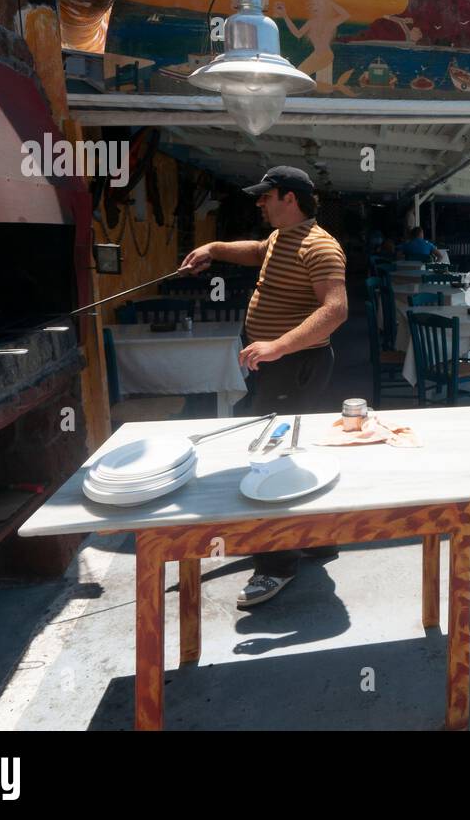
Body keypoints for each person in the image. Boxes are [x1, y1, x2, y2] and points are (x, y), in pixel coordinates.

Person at [180, 166, 348, 608]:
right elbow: (256, 251)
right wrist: (212, 248)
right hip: (281, 365)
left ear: (289, 198)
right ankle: (317, 541)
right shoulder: (280, 238)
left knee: (272, 460)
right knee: (293, 453)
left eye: (265, 196)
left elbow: (335, 311)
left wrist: (277, 345)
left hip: (296, 365)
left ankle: (275, 567)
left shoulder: (320, 246)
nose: (259, 203)